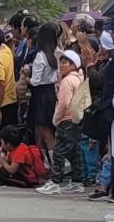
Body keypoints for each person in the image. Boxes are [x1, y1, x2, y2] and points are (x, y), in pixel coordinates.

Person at [36, 49, 85, 195]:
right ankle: (77, 181)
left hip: (66, 119)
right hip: (76, 119)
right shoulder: (79, 78)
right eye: (61, 62)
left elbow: (64, 103)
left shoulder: (67, 80)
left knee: (58, 150)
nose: (61, 65)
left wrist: (56, 118)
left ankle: (55, 181)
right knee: (73, 151)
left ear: (73, 65)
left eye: (65, 62)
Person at [26, 23, 59, 165]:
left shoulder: (40, 56)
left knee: (44, 130)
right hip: (50, 93)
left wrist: (27, 76)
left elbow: (35, 81)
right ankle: (43, 163)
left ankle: (52, 164)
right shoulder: (56, 53)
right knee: (43, 129)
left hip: (40, 95)